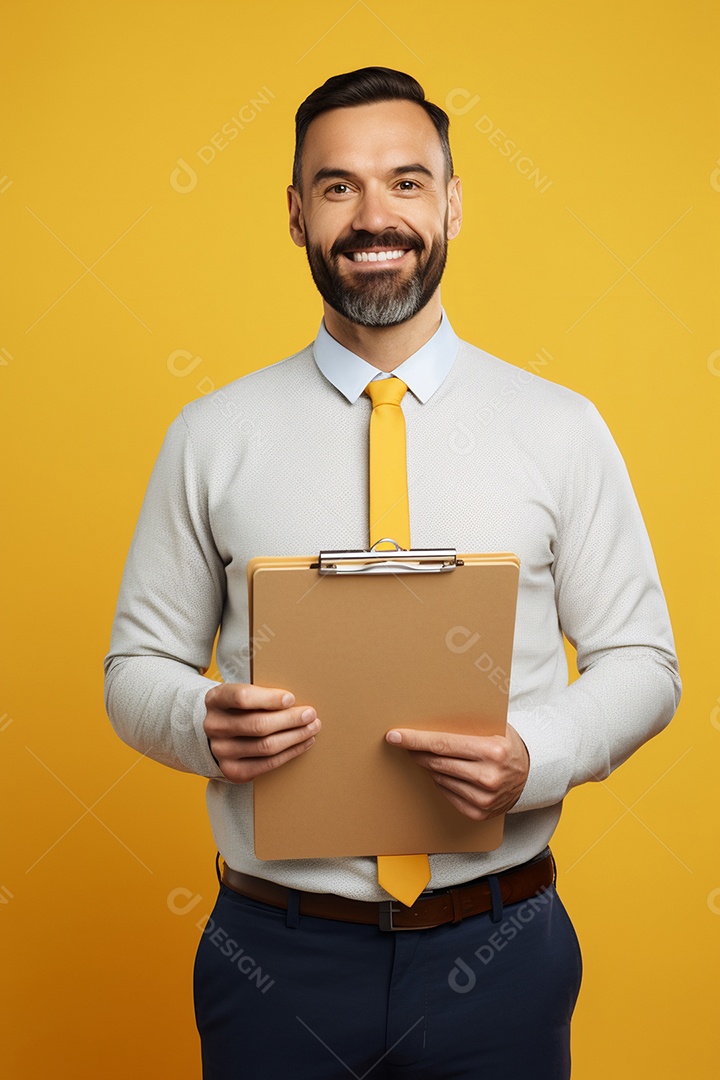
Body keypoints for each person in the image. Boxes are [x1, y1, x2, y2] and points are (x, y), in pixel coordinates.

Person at [104, 67, 681, 1079]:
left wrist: (534, 752)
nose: (377, 216)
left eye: (407, 183)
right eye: (339, 187)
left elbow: (644, 660)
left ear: (452, 202)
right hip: (275, 957)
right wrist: (201, 721)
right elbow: (135, 668)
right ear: (296, 214)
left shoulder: (560, 428)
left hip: (503, 949)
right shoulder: (211, 435)